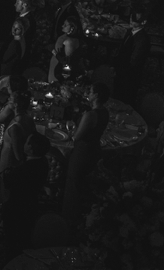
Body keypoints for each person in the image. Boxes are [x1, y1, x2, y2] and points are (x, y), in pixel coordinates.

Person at [63, 82, 111, 223]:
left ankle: (69, 219)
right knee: (84, 185)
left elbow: (77, 136)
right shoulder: (105, 112)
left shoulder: (90, 115)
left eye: (90, 92)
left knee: (73, 185)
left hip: (82, 152)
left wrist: (75, 124)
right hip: (95, 150)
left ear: (96, 95)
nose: (87, 94)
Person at [2, 132, 51, 254]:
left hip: (17, 208)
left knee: (13, 240)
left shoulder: (24, 170)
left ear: (31, 148)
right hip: (32, 204)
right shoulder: (43, 162)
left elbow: (7, 182)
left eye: (26, 142)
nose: (23, 143)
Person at [48, 16, 81, 82]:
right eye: (63, 24)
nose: (62, 26)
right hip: (54, 65)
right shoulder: (63, 36)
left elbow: (67, 62)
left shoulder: (70, 42)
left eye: (65, 25)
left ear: (72, 28)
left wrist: (54, 52)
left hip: (58, 70)